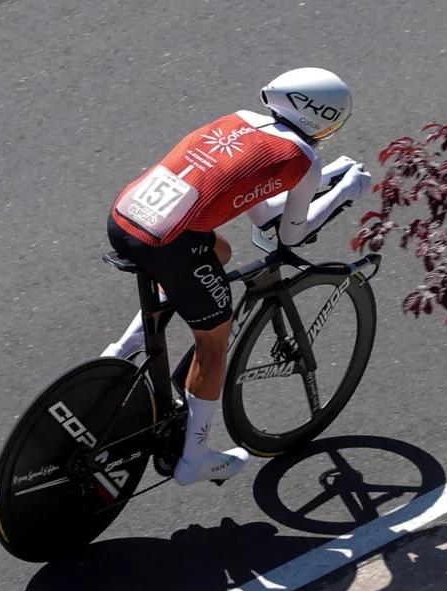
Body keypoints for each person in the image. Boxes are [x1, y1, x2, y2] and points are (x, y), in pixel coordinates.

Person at [102, 67, 373, 486]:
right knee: (213, 344)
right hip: (171, 245)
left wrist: (326, 175)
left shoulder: (237, 119)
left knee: (220, 251)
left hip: (125, 218)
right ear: (325, 120)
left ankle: (124, 349)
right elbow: (290, 234)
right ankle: (194, 460)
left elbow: (261, 206)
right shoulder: (302, 158)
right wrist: (342, 192)